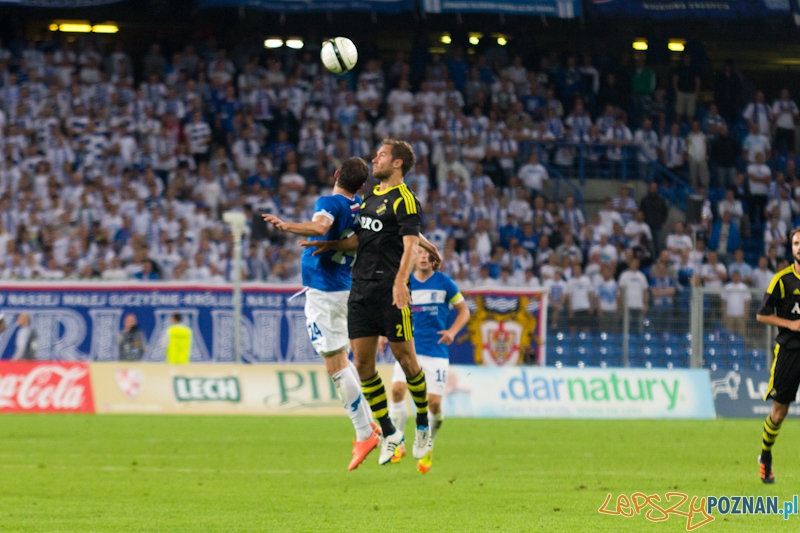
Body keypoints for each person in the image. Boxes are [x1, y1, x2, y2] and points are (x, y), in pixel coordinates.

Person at [302, 139, 440, 466]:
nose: (374, 159)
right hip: (360, 290)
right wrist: (331, 244)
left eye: (381, 155)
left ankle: (422, 422)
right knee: (363, 366)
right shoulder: (369, 197)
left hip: (391, 291)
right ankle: (390, 432)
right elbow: (362, 238)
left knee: (407, 362)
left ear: (397, 164)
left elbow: (408, 246)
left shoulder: (407, 200)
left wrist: (400, 282)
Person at [263, 157, 378, 471]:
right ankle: (370, 424)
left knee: (336, 366)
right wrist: (336, 244)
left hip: (325, 294)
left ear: (337, 175)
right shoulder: (362, 207)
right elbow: (361, 242)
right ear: (362, 186)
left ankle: (364, 433)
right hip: (345, 289)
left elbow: (320, 226)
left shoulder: (330, 202)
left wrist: (287, 225)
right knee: (343, 360)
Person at [388, 248, 470, 474]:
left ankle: (429, 443)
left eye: (427, 254)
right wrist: (385, 334)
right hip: (409, 348)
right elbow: (392, 310)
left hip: (436, 352)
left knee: (433, 403)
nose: (423, 257)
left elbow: (464, 311)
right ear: (412, 258)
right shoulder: (404, 282)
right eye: (419, 253)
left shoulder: (445, 283)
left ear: (433, 259)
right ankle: (397, 442)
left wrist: (452, 331)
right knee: (396, 390)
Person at [755, 228, 800, 483]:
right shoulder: (782, 280)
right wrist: (790, 324)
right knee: (779, 413)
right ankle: (766, 455)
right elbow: (761, 315)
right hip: (790, 352)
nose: (799, 247)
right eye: (796, 243)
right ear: (791, 248)